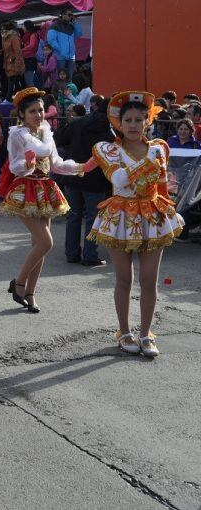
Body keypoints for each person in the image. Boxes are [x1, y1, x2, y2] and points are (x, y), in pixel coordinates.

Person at [87, 91, 185, 356]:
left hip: (153, 216)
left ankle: (145, 333)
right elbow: (119, 181)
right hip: (120, 216)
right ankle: (125, 331)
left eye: (138, 119)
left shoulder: (158, 148)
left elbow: (163, 186)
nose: (132, 125)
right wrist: (144, 171)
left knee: (149, 279)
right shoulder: (108, 150)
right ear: (119, 123)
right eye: (127, 119)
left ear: (147, 122)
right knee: (123, 279)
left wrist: (170, 211)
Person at [0, 87, 97, 312]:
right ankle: (19, 283)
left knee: (39, 246)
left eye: (41, 110)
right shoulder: (17, 135)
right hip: (26, 188)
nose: (39, 115)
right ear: (22, 114)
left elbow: (57, 164)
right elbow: (14, 166)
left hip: (46, 189)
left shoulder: (45, 132)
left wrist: (83, 166)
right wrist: (27, 165)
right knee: (46, 242)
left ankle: (31, 294)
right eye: (33, 111)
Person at [55, 94, 114, 266]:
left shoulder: (79, 123)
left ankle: (71, 253)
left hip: (73, 174)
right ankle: (90, 255)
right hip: (96, 180)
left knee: (73, 216)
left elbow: (60, 138)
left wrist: (73, 150)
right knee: (92, 217)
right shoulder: (111, 133)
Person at [46, 8, 81, 80]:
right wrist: (61, 51)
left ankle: (69, 91)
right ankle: (61, 91)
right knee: (61, 77)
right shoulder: (55, 25)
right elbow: (51, 40)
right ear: (62, 15)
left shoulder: (71, 25)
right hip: (60, 56)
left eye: (71, 15)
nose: (71, 16)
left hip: (71, 56)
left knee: (70, 77)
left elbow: (79, 34)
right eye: (69, 15)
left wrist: (75, 23)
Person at [1, 21, 25, 99]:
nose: (2, 30)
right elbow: (7, 50)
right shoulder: (5, 37)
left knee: (11, 82)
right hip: (8, 63)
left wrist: (18, 65)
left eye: (3, 29)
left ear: (8, 29)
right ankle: (21, 98)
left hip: (14, 63)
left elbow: (18, 51)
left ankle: (8, 99)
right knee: (17, 83)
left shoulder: (14, 37)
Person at [21, 20, 40, 88]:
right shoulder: (28, 35)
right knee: (27, 80)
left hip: (29, 60)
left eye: (23, 25)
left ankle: (33, 97)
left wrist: (21, 50)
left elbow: (32, 45)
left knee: (29, 81)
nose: (22, 27)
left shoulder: (33, 34)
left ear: (27, 26)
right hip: (28, 59)